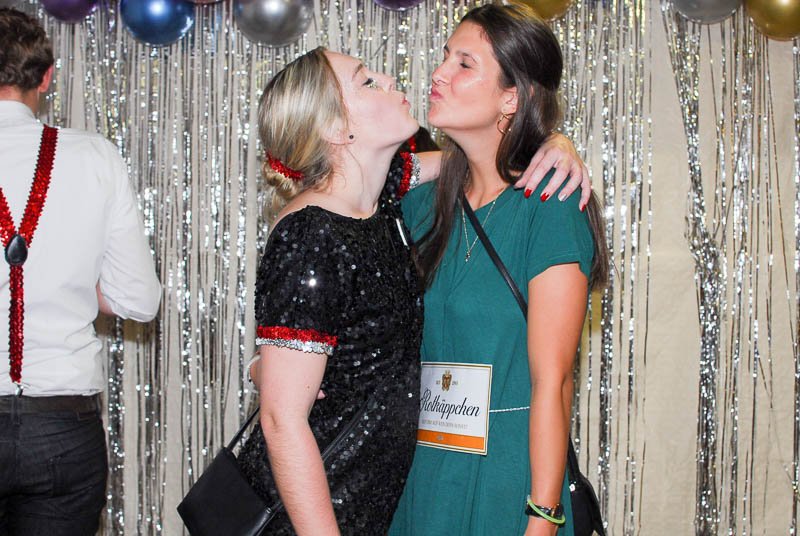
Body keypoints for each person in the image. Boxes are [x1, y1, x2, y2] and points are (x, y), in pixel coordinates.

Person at [237, 41, 593, 533]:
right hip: (321, 505)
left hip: (382, 499)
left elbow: (477, 161)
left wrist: (552, 142)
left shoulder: (382, 198)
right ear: (337, 129)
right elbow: (281, 421)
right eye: (367, 81)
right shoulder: (312, 233)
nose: (388, 78)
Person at [389, 4, 609, 536]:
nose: (439, 72)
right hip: (421, 474)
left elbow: (553, 381)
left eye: (464, 64)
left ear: (512, 97)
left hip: (506, 478)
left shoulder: (550, 206)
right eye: (445, 56)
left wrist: (542, 519)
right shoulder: (418, 209)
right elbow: (323, 184)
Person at [0, 8, 161, 535]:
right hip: (62, 429)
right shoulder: (94, 156)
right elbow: (139, 302)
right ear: (47, 78)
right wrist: (73, 281)